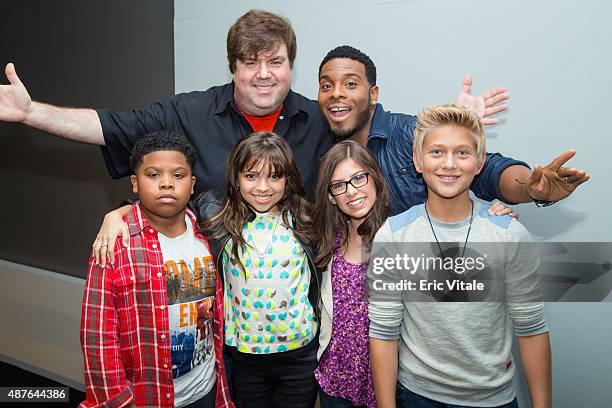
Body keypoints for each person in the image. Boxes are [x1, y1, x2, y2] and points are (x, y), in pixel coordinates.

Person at [368, 105, 551, 408]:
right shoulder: (394, 235)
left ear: (479, 163)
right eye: (437, 152)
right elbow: (384, 334)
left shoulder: (508, 235)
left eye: (463, 153)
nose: (449, 164)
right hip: (417, 396)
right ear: (417, 160)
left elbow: (531, 329)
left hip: (494, 398)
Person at [317, 45, 589, 215]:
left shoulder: (408, 133)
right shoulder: (321, 148)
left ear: (373, 93)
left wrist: (530, 188)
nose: (337, 93)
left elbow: (487, 172)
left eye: (351, 84)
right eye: (326, 86)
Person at [79, 130, 233, 407]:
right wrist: (117, 401)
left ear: (192, 183)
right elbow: (97, 336)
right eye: (153, 175)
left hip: (206, 389)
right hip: (147, 397)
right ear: (135, 183)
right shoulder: (115, 243)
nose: (166, 184)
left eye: (178, 175)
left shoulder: (207, 234)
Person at [197, 132, 320, 407]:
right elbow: (165, 208)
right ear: (236, 178)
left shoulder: (306, 220)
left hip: (298, 355)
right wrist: (117, 215)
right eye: (251, 176)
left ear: (288, 180)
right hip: (245, 357)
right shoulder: (216, 217)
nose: (263, 187)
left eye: (274, 176)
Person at [312, 141, 389, 407]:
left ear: (374, 177)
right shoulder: (329, 241)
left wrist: (489, 211)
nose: (351, 191)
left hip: (384, 379)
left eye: (358, 178)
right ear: (331, 195)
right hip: (335, 378)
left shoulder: (399, 235)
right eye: (339, 185)